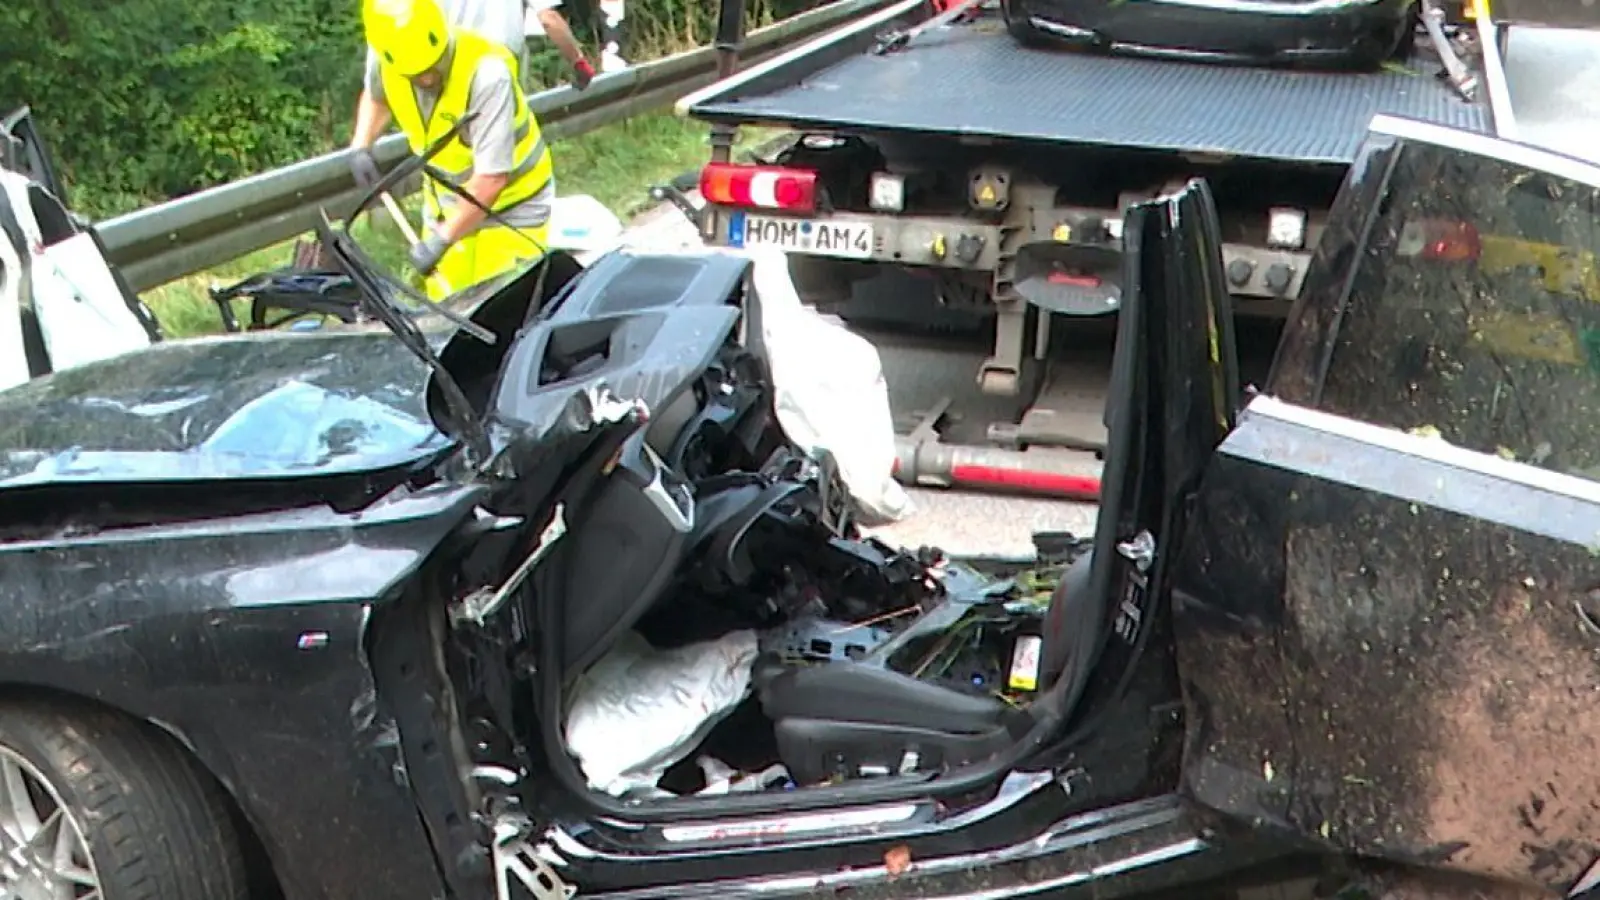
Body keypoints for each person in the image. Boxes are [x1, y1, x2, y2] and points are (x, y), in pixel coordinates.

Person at [351, 0, 557, 300]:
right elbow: (376, 95)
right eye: (416, 74)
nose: (427, 79)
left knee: (505, 310)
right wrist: (361, 146)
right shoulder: (386, 55)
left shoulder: (487, 73)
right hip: (447, 205)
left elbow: (491, 179)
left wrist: (440, 241)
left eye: (433, 67)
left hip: (512, 209)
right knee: (448, 315)